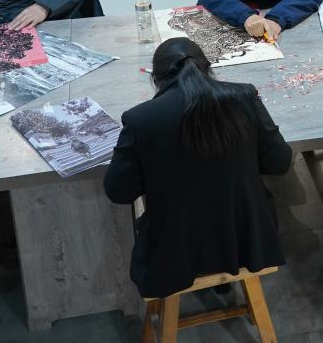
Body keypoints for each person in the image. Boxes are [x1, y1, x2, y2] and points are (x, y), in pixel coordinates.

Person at [103, 37, 292, 298]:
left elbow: (119, 191)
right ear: (208, 68)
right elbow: (280, 162)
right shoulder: (244, 97)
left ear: (156, 79)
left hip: (176, 253)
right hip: (247, 240)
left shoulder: (141, 119)